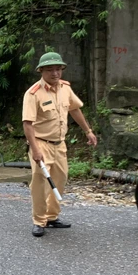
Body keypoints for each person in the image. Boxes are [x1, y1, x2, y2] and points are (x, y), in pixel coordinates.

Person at [22, 52, 98, 237]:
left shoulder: (65, 88)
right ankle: (39, 221)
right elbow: (27, 124)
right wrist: (35, 149)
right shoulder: (33, 93)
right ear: (41, 71)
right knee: (40, 181)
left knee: (60, 179)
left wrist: (88, 131)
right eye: (50, 70)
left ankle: (51, 216)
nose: (55, 73)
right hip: (41, 143)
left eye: (58, 69)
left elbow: (75, 109)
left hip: (60, 144)